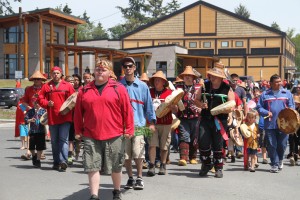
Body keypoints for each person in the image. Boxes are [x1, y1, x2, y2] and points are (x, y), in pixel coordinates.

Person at [74, 59, 134, 200]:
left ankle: (116, 191)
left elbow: (127, 111)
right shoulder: (84, 90)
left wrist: (129, 129)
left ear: (110, 73)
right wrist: (78, 130)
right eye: (98, 69)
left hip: (114, 134)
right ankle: (94, 195)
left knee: (116, 165)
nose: (100, 71)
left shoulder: (118, 88)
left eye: (104, 69)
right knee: (92, 165)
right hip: (90, 134)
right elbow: (77, 113)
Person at [120, 57, 156, 190]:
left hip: (139, 124)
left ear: (135, 68)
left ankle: (139, 177)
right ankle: (130, 177)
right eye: (125, 66)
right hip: (122, 126)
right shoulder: (119, 86)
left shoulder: (142, 86)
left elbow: (149, 106)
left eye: (130, 66)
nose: (127, 68)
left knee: (138, 152)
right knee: (126, 154)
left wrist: (151, 122)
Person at [194, 62, 235, 178]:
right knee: (203, 141)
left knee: (218, 144)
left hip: (220, 120)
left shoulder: (227, 88)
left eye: (215, 75)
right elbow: (196, 99)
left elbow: (232, 104)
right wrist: (201, 105)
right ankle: (206, 163)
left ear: (221, 77)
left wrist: (229, 112)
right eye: (212, 75)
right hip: (206, 118)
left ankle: (218, 167)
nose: (213, 77)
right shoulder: (204, 86)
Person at [38, 66, 75, 172]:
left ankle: (63, 161)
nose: (55, 75)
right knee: (54, 141)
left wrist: (69, 108)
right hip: (52, 118)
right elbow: (40, 98)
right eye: (54, 73)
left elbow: (73, 98)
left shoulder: (67, 85)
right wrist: (46, 103)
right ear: (51, 74)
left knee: (63, 139)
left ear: (61, 74)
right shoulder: (46, 86)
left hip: (65, 117)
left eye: (57, 73)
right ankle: (56, 162)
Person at [257, 74, 295, 173]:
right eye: (277, 82)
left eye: (280, 81)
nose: (279, 83)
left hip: (284, 124)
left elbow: (292, 106)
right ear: (271, 83)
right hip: (270, 124)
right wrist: (266, 112)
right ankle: (274, 164)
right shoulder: (265, 94)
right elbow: (259, 107)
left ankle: (280, 159)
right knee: (272, 145)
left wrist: (289, 111)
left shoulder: (287, 93)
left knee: (282, 145)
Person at [147, 71, 177, 176]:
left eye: (159, 80)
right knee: (152, 144)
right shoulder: (149, 92)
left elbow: (176, 109)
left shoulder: (170, 93)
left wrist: (173, 107)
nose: (156, 82)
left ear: (164, 82)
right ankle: (152, 165)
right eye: (155, 80)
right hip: (152, 123)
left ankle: (163, 165)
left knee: (164, 146)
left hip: (166, 123)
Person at [176, 66, 201, 166]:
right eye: (186, 76)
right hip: (183, 116)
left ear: (193, 77)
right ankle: (183, 158)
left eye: (189, 76)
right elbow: (175, 101)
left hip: (196, 116)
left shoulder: (199, 88)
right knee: (184, 136)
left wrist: (201, 108)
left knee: (194, 137)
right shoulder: (179, 88)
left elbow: (202, 101)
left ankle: (193, 157)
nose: (187, 77)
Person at [20, 71, 47, 160]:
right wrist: (28, 108)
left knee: (42, 133)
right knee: (31, 132)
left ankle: (41, 152)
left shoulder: (45, 88)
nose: (36, 80)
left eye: (38, 79)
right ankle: (29, 152)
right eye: (35, 79)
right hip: (32, 113)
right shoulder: (29, 89)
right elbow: (23, 101)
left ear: (41, 80)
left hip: (43, 112)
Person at [24, 100, 47, 168]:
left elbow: (47, 119)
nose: (36, 104)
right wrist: (30, 120)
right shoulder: (30, 111)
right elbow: (25, 119)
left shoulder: (43, 111)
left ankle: (38, 160)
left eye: (38, 103)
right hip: (33, 131)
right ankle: (34, 156)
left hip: (41, 131)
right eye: (35, 103)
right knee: (31, 147)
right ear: (33, 103)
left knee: (39, 147)